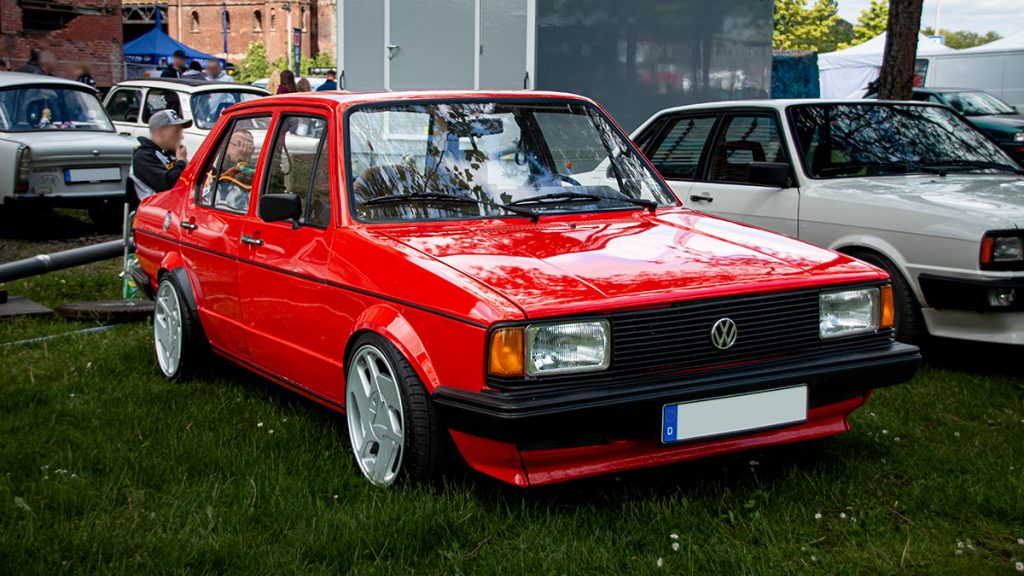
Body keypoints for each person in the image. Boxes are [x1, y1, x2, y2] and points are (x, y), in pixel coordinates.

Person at [130, 109, 190, 202]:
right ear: (160, 133)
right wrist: (181, 161)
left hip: (176, 207)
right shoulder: (143, 156)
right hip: (155, 211)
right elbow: (169, 186)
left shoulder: (171, 154)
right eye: (177, 131)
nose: (181, 136)